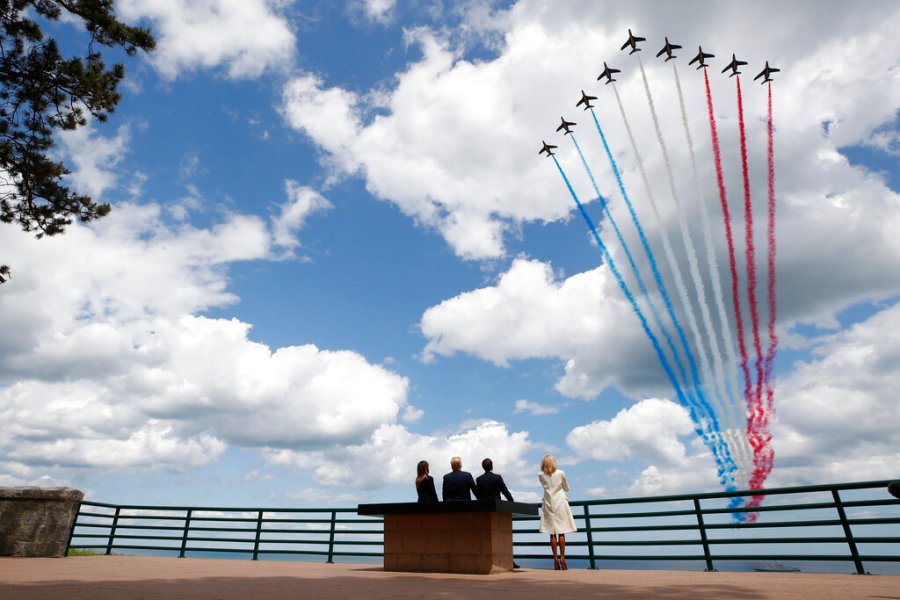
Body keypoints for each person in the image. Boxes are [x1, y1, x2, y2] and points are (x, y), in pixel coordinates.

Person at [538, 454, 577, 570]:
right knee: (561, 532)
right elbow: (566, 488)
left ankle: (555, 560)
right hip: (560, 503)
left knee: (552, 533)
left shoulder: (540, 475)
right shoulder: (560, 473)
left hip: (548, 504)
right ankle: (563, 559)